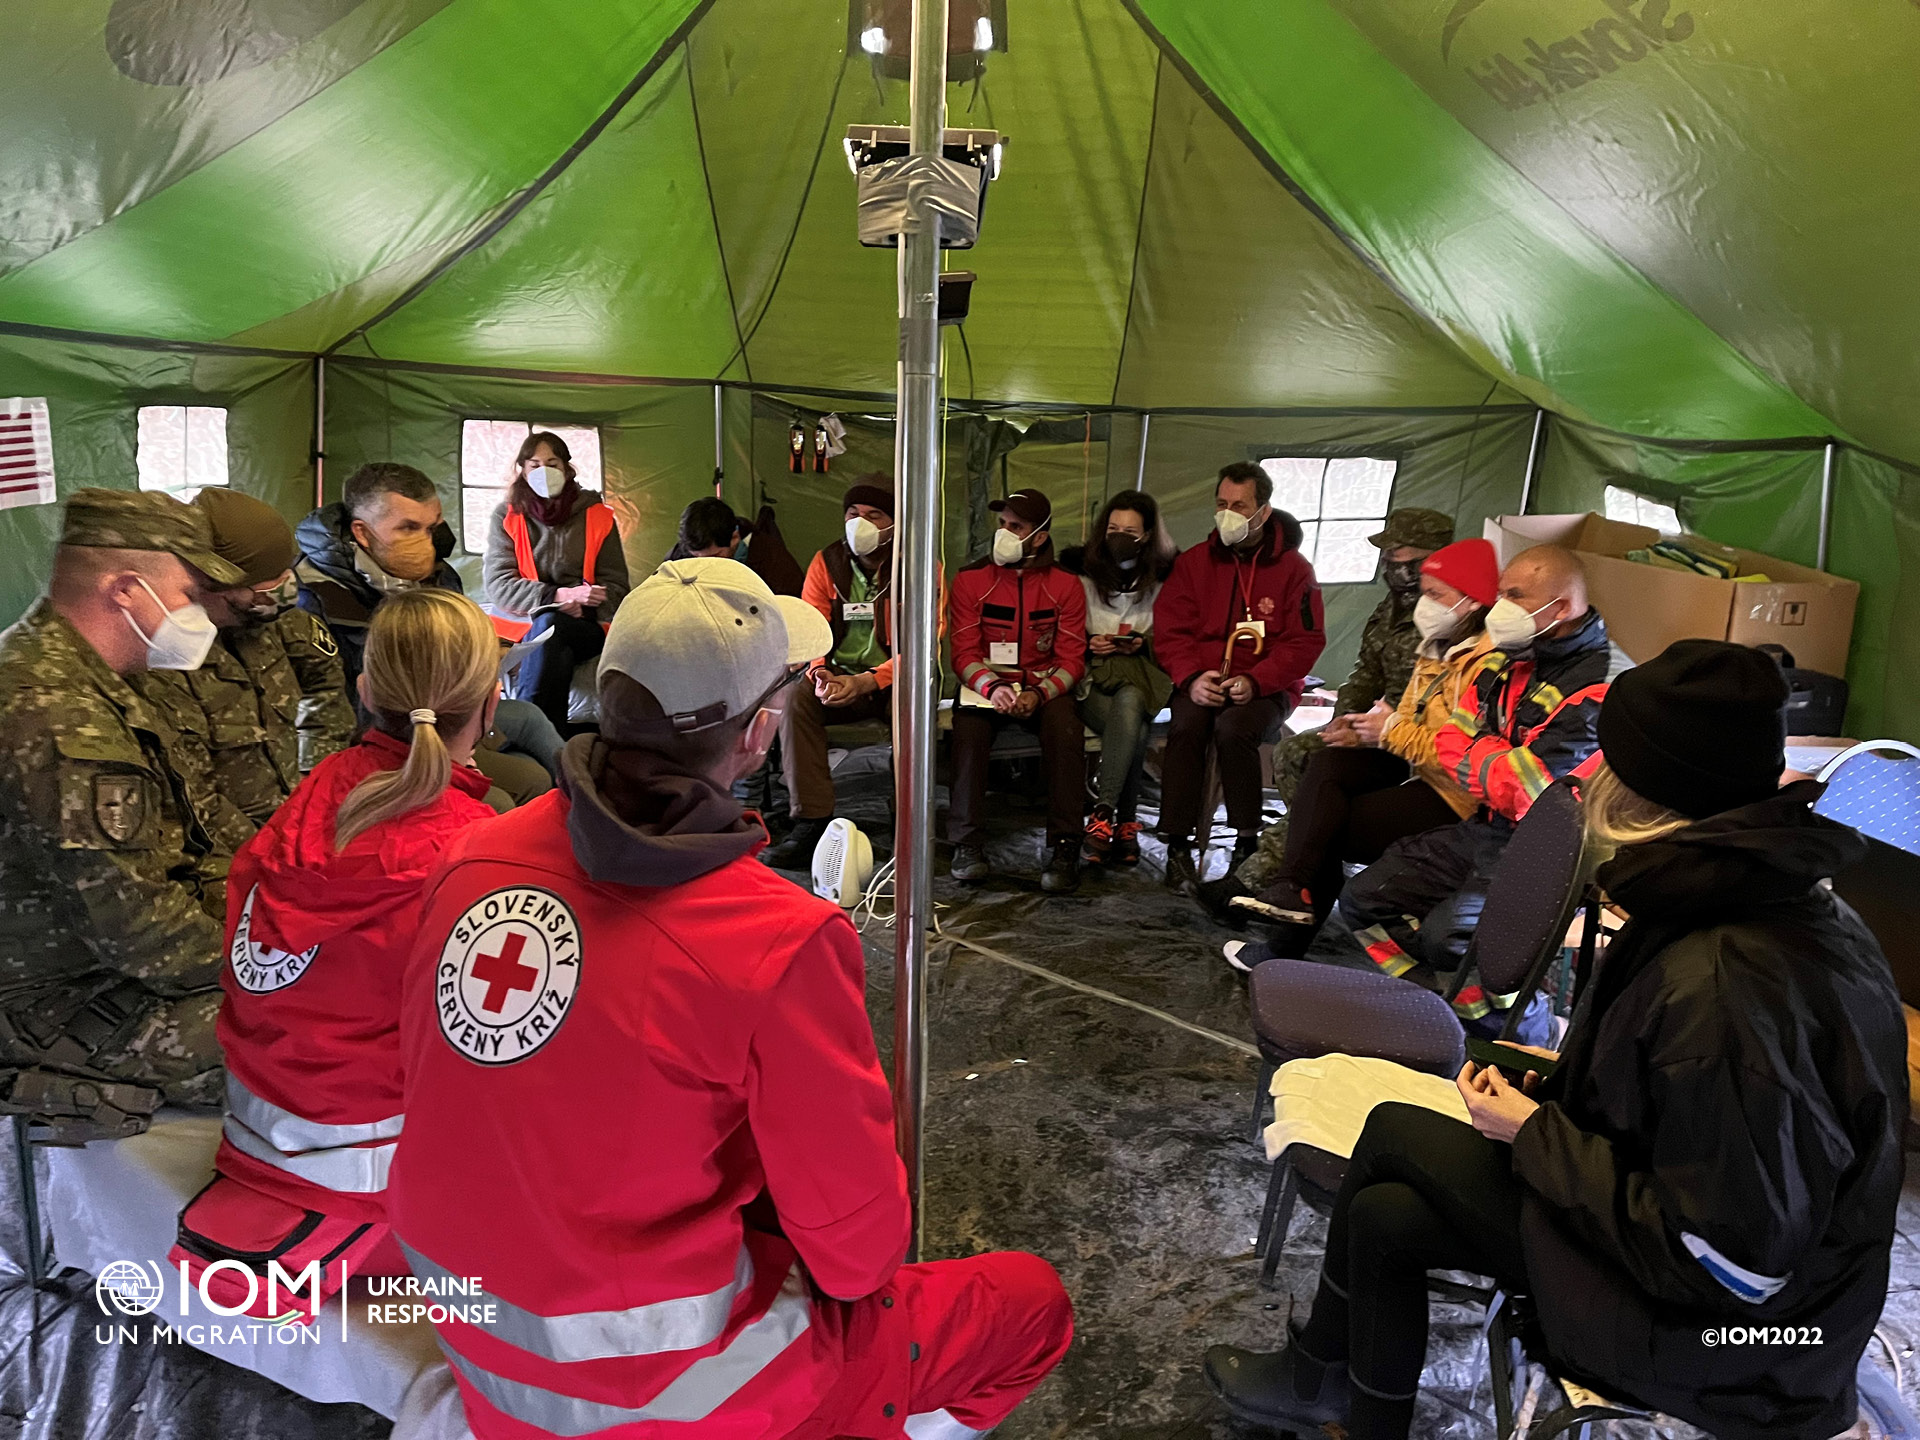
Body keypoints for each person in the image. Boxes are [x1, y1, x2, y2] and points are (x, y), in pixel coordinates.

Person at [386, 558, 1073, 1440]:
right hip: (662, 1390)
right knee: (1027, 1305)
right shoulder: (777, 940)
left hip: (476, 1336)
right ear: (757, 737)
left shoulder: (471, 855)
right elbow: (857, 1257)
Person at [1205, 640, 1906, 1440]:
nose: (1589, 779)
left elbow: (1733, 1262)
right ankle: (1334, 1396)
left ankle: (1316, 1378)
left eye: (1609, 760)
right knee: (1388, 1217)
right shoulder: (1749, 895)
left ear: (1644, 793)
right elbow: (1678, 1116)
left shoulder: (1729, 982)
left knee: (1396, 1132)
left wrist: (1538, 1133)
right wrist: (1563, 1100)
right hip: (1704, 1276)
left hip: (1744, 1347)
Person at [169, 588, 500, 1320]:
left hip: (257, 1141)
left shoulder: (316, 794)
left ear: (362, 690)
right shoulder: (475, 851)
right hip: (373, 1186)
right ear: (493, 701)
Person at [0, 490, 247, 1110]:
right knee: (306, 1038)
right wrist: (264, 970)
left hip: (99, 967)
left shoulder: (98, 683)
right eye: (189, 594)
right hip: (50, 999)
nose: (202, 616)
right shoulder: (55, 710)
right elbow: (137, 931)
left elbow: (187, 844)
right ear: (126, 589)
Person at [1303, 546, 1609, 1027]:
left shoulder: (1602, 684)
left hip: (1544, 848)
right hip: (1484, 825)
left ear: (1562, 608)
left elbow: (1532, 793)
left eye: (1514, 595)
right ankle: (1437, 1001)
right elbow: (1452, 741)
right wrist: (1488, 759)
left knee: (1448, 936)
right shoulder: (1504, 661)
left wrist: (1478, 755)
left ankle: (1525, 1030)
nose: (1499, 606)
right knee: (1364, 899)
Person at [1220, 538, 1498, 969]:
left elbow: (1459, 755)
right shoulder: (1437, 646)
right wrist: (1367, 730)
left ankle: (1286, 930)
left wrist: (1390, 731)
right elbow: (1405, 711)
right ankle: (1292, 890)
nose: (1423, 604)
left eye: (1435, 594)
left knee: (1328, 825)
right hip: (1421, 767)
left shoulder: (1485, 663)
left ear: (1472, 601)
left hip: (1458, 795)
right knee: (1327, 763)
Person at [296, 461, 560, 809]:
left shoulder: (439, 575)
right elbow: (327, 712)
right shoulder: (319, 597)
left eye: (431, 527)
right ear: (362, 532)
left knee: (532, 755)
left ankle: (593, 810)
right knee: (498, 800)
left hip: (443, 714)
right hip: (380, 736)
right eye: (408, 528)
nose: (424, 542)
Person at [1232, 507, 1453, 894]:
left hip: (1418, 740)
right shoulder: (1391, 607)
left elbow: (1439, 703)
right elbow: (1365, 672)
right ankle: (1314, 860)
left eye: (1397, 553)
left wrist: (1375, 732)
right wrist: (1343, 719)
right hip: (1379, 730)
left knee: (1323, 769)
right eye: (1387, 554)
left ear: (1428, 555)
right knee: (1293, 753)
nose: (1389, 562)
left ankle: (1256, 879)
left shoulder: (1451, 613)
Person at [1154, 462, 1326, 892]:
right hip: (1203, 679)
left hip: (1266, 686)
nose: (1227, 513)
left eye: (1239, 505)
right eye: (1221, 504)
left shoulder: (1295, 571)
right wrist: (1191, 676)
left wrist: (1257, 681)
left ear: (1263, 512)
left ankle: (1247, 843)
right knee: (1187, 724)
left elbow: (1305, 642)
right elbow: (1170, 630)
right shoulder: (1194, 563)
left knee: (1235, 730)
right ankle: (1176, 846)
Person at [140, 490, 356, 830]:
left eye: (282, 581)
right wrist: (267, 846)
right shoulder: (162, 655)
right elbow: (192, 792)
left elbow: (324, 684)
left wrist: (312, 781)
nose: (274, 601)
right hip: (232, 847)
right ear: (209, 583)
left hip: (302, 818)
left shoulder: (279, 622)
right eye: (259, 591)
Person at [767, 475, 943, 870]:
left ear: (894, 524)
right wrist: (820, 675)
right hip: (837, 677)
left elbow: (922, 646)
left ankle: (908, 822)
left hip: (891, 681)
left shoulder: (920, 566)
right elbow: (812, 628)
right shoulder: (825, 562)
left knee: (912, 705)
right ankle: (811, 821)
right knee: (794, 698)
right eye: (853, 514)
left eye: (873, 515)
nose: (859, 523)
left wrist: (868, 681)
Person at [946, 488, 1089, 893]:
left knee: (1066, 731)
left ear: (1039, 536)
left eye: (1016, 526)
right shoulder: (971, 580)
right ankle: (967, 845)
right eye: (1002, 524)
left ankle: (1064, 845)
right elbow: (962, 652)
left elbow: (1072, 659)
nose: (1004, 533)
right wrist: (993, 688)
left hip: (1042, 687)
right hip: (987, 688)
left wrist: (1040, 693)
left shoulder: (1066, 585)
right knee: (968, 735)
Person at [1057, 490, 1177, 867]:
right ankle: (1124, 821)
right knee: (1135, 728)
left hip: (1140, 676)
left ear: (1147, 536)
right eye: (1112, 528)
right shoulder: (1079, 572)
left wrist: (1141, 644)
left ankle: (1103, 816)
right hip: (1091, 677)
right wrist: (1090, 645)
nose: (1119, 537)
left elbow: (1175, 635)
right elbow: (1064, 633)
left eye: (1130, 530)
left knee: (1130, 701)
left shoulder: (1165, 577)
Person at [483, 431, 631, 732]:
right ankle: (552, 737)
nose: (543, 472)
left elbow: (618, 588)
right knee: (553, 636)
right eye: (534, 464)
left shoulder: (598, 516)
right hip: (525, 627)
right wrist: (559, 596)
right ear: (522, 470)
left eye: (552, 463)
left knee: (552, 628)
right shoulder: (507, 516)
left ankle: (526, 731)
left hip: (585, 625)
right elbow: (498, 584)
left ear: (567, 469)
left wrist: (585, 606)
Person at [665, 494, 745, 561]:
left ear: (735, 538)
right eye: (696, 557)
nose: (704, 564)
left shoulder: (754, 553)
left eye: (714, 556)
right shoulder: (676, 559)